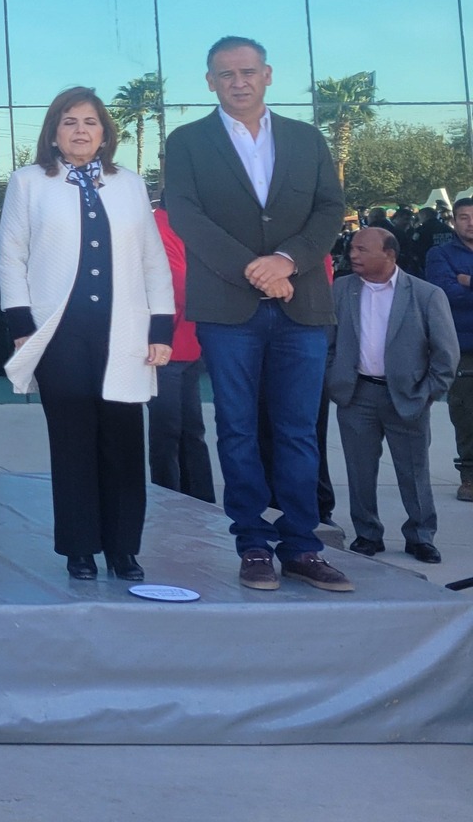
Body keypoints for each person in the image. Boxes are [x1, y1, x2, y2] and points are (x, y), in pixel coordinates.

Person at [162, 36, 350, 593]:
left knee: (298, 431)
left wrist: (287, 260)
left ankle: (301, 545)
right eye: (225, 74)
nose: (237, 81)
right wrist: (254, 268)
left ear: (268, 75)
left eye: (247, 71)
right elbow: (185, 214)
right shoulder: (189, 142)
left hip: (302, 306)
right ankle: (251, 544)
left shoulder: (306, 138)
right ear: (209, 82)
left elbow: (330, 208)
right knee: (237, 428)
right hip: (228, 308)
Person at [0, 90, 174, 581]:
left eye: (91, 122)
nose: (81, 130)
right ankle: (79, 547)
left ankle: (123, 549)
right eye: (70, 122)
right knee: (72, 441)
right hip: (60, 334)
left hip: (124, 333)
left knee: (123, 440)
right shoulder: (29, 183)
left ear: (105, 133)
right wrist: (20, 327)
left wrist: (160, 325)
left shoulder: (130, 185)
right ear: (53, 132)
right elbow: (10, 255)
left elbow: (152, 259)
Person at [327, 228, 457, 564]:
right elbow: (326, 341)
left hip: (407, 397)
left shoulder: (426, 294)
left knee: (414, 472)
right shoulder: (341, 289)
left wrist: (428, 393)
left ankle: (421, 536)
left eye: (361, 249)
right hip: (357, 395)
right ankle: (367, 534)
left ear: (389, 254)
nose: (352, 254)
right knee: (359, 471)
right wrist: (334, 379)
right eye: (351, 248)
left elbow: (446, 355)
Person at [148, 203, 216, 503]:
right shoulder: (158, 228)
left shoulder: (178, 227)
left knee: (189, 430)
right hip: (166, 344)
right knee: (170, 431)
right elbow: (179, 284)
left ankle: (196, 499)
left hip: (185, 342)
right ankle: (172, 498)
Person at [420, 196, 473, 503]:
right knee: (466, 413)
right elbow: (446, 293)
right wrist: (460, 284)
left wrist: (469, 281)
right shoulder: (439, 254)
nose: (470, 223)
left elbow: (463, 290)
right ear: (454, 220)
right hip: (462, 346)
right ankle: (469, 475)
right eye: (464, 217)